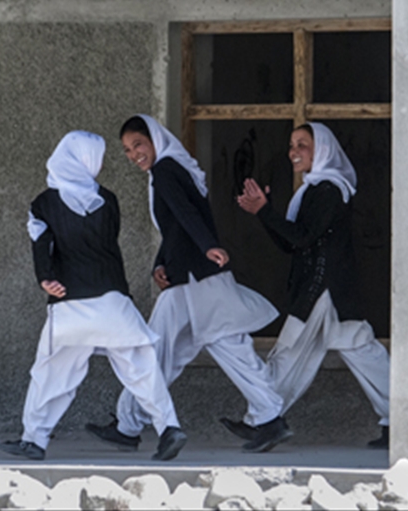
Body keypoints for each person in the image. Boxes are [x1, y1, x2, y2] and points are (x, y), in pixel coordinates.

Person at [86, 115, 292, 454]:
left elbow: (186, 215)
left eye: (138, 144)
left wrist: (208, 245)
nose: (133, 154)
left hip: (196, 278)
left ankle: (269, 417)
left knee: (206, 346)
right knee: (172, 351)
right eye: (126, 150)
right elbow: (175, 229)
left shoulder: (166, 170)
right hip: (188, 277)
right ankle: (129, 423)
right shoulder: (167, 169)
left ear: (154, 139)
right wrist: (161, 263)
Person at [0, 130, 188, 462]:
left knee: (52, 374)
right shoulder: (108, 199)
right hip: (113, 299)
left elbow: (42, 246)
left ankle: (34, 440)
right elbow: (106, 243)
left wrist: (46, 279)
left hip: (70, 302)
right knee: (140, 369)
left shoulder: (44, 203)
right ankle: (169, 427)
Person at [236, 122, 390, 449]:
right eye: (292, 145)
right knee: (361, 354)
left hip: (322, 290)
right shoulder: (314, 189)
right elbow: (292, 244)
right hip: (326, 290)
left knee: (290, 353)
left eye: (303, 144)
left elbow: (303, 238)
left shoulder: (328, 190)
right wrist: (265, 213)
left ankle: (264, 419)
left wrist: (265, 211)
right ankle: (402, 419)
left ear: (323, 149)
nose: (294, 152)